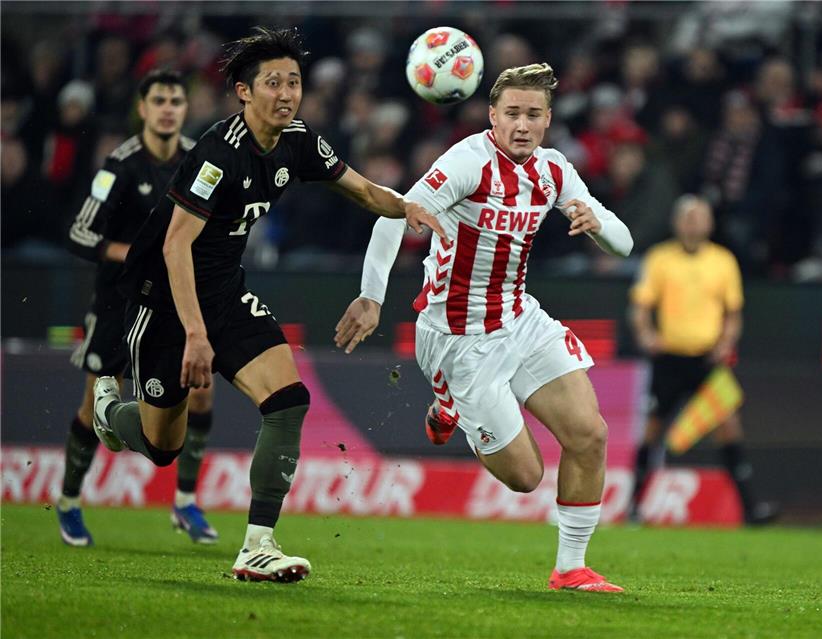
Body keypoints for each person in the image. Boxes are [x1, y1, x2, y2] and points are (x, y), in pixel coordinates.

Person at [89, 27, 444, 583]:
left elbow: (362, 190)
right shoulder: (216, 155)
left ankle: (257, 545)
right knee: (163, 447)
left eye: (294, 82)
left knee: (287, 400)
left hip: (226, 294)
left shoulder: (298, 140)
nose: (286, 93)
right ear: (243, 92)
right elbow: (175, 244)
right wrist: (196, 335)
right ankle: (111, 413)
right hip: (165, 305)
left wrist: (410, 209)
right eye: (273, 83)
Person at [335, 63, 633, 593]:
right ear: (493, 115)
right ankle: (450, 402)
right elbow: (392, 215)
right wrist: (370, 297)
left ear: (547, 120)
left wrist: (598, 225)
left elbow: (624, 243)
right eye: (512, 113)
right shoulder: (468, 162)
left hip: (519, 319)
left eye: (533, 114)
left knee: (590, 435)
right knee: (525, 478)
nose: (522, 124)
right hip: (457, 338)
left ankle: (571, 568)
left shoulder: (555, 170)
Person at [60, 69, 219, 547]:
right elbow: (81, 233)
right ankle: (68, 502)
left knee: (201, 395)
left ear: (185, 108)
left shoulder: (198, 159)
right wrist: (134, 254)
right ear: (143, 108)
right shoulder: (119, 164)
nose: (169, 107)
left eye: (176, 99)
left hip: (173, 302)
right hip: (117, 302)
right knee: (94, 406)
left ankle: (186, 502)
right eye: (160, 100)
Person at [626, 195, 778, 525]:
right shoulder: (660, 258)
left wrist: (726, 343)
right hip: (669, 357)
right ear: (676, 222)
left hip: (707, 360)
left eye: (700, 217)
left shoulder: (723, 261)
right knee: (652, 429)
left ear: (709, 223)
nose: (693, 222)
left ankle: (750, 509)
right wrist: (646, 334)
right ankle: (633, 506)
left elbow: (733, 313)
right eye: (688, 217)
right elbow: (640, 306)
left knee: (729, 426)